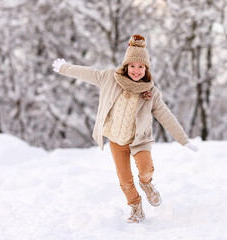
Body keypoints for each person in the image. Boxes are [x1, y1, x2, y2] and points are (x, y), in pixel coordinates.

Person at [52, 34, 198, 223]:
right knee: (125, 180)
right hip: (116, 139)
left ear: (146, 69)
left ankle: (146, 184)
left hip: (139, 141)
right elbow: (87, 72)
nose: (136, 70)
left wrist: (183, 140)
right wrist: (65, 68)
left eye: (140, 66)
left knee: (146, 169)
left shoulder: (151, 92)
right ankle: (136, 208)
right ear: (126, 66)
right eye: (132, 66)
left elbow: (166, 116)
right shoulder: (109, 78)